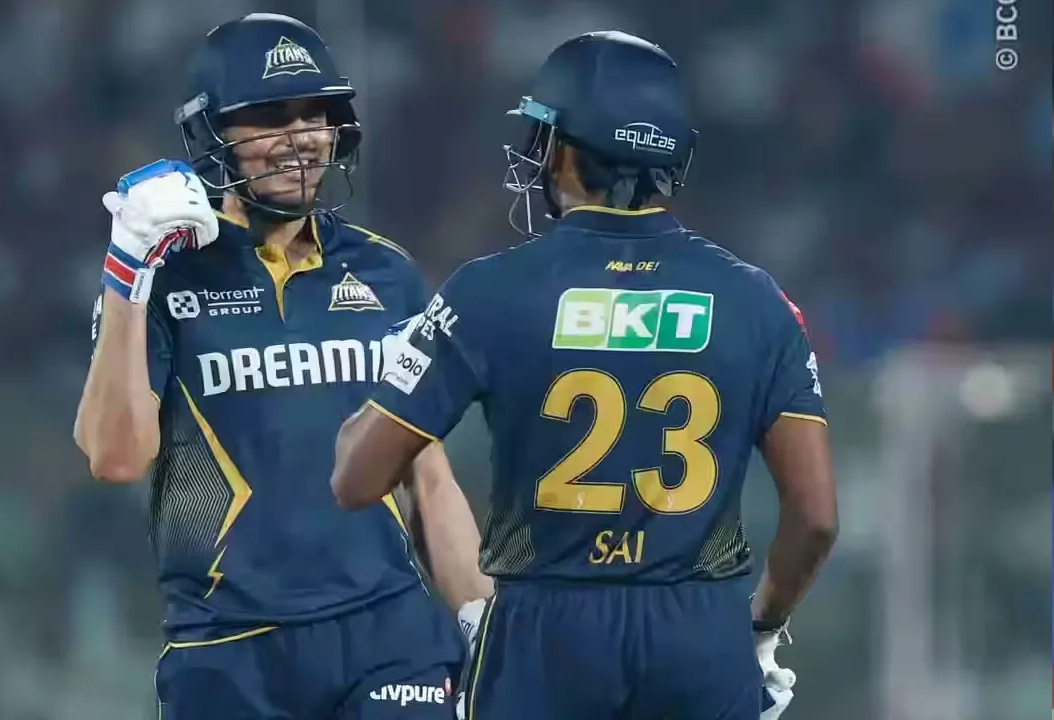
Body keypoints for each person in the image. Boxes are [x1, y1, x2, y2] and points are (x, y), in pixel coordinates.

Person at [331, 31, 838, 720]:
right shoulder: (757, 300)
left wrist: (397, 381)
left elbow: (356, 480)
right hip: (700, 632)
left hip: (543, 632)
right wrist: (761, 625)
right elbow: (815, 519)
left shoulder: (488, 291)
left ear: (564, 149)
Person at [75, 13, 489, 719]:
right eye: (270, 116)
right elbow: (115, 459)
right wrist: (127, 272)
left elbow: (428, 476)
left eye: (316, 114)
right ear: (211, 133)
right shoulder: (165, 278)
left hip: (390, 638)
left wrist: (483, 623)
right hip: (229, 652)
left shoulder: (386, 274)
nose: (302, 137)